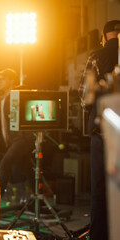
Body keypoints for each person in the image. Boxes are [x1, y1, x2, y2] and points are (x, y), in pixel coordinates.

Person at [79, 19, 120, 240]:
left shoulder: (96, 56)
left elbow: (86, 97)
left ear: (104, 37)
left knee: (100, 191)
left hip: (102, 132)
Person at [0, 69, 35, 198]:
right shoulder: (4, 98)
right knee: (27, 169)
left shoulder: (18, 95)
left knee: (4, 164)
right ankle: (36, 201)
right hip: (13, 139)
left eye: (3, 79)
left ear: (11, 80)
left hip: (22, 138)